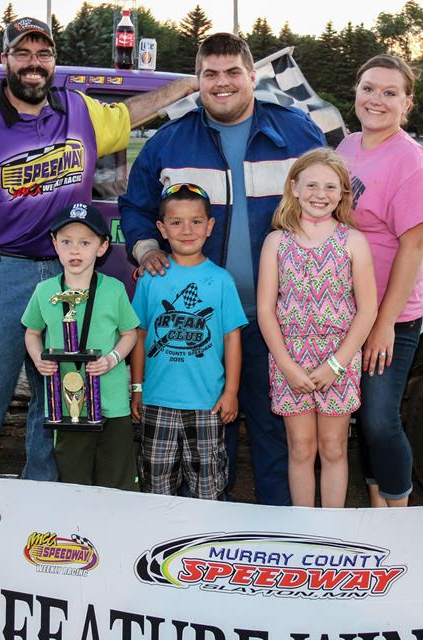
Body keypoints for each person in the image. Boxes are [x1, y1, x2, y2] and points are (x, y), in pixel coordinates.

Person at [0, 17, 196, 480]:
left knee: (56, 392)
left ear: (53, 62)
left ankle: (40, 499)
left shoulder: (79, 110)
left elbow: (131, 114)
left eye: (43, 54)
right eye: (23, 53)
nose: (34, 64)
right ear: (5, 61)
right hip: (1, 273)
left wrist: (187, 84)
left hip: (66, 274)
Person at [119, 32, 326, 506]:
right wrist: (149, 249)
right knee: (210, 432)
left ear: (252, 77)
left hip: (283, 317)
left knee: (278, 431)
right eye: (210, 74)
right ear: (198, 82)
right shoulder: (170, 141)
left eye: (233, 72)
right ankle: (205, 536)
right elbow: (134, 206)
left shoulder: (297, 132)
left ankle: (279, 533)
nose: (222, 82)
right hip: (202, 322)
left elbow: (333, 199)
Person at [336, 54, 423, 508]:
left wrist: (382, 323)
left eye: (389, 92)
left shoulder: (409, 160)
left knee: (379, 420)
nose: (376, 99)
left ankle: (397, 512)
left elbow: (415, 246)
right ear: (355, 93)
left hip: (387, 316)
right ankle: (377, 509)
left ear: (407, 103)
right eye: (368, 88)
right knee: (357, 418)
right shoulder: (347, 148)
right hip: (341, 308)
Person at [256, 149, 377, 508]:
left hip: (338, 360)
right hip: (289, 359)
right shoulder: (276, 242)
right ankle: (304, 525)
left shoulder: (353, 242)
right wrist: (287, 366)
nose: (319, 194)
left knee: (333, 447)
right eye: (311, 185)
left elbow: (367, 309)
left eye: (330, 186)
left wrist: (336, 365)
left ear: (342, 193)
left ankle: (331, 527)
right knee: (301, 447)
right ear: (294, 187)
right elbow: (265, 310)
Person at [130, 184, 247, 500]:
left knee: (208, 486)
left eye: (196, 221)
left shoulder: (221, 280)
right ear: (162, 228)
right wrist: (137, 389)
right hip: (157, 402)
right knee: (156, 486)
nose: (186, 230)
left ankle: (205, 543)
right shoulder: (150, 279)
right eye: (176, 222)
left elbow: (232, 337)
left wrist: (232, 392)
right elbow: (139, 336)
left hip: (207, 404)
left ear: (210, 226)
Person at [21, 203, 141, 489]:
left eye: (85, 242)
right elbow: (32, 332)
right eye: (66, 242)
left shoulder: (114, 289)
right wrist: (39, 359)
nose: (75, 251)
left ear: (102, 247)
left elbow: (130, 334)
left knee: (116, 478)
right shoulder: (45, 291)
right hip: (66, 406)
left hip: (112, 403)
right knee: (74, 478)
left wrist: (112, 359)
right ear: (55, 245)